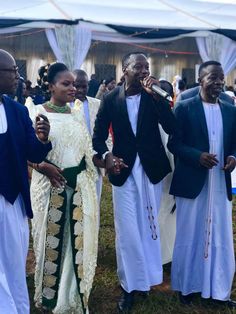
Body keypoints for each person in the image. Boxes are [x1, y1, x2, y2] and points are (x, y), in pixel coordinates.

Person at [92, 52, 177, 312]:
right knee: (128, 228)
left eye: (147, 67)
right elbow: (97, 138)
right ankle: (129, 286)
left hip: (151, 169)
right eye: (138, 66)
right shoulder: (109, 100)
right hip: (123, 171)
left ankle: (147, 279)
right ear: (125, 70)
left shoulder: (155, 98)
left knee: (149, 225)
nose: (143, 71)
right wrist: (108, 157)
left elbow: (173, 127)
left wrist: (159, 101)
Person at [26, 63, 99, 313]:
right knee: (49, 241)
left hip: (77, 189)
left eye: (75, 84)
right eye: (66, 84)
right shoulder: (34, 111)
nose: (73, 88)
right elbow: (25, 151)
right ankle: (49, 297)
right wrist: (43, 166)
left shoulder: (77, 113)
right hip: (47, 188)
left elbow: (86, 152)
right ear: (51, 86)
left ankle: (70, 299)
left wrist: (98, 166)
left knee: (75, 241)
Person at [168, 60, 236, 307]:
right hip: (192, 181)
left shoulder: (231, 109)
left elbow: (235, 143)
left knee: (220, 235)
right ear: (200, 80)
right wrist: (197, 156)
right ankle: (187, 287)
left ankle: (218, 291)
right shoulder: (184, 108)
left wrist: (233, 157)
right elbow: (173, 144)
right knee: (189, 234)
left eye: (221, 78)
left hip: (219, 181)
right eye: (213, 78)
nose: (219, 82)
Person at [0, 49, 51, 314]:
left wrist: (42, 139)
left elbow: (32, 152)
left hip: (13, 200)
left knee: (14, 262)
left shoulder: (18, 111)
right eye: (13, 71)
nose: (18, 77)